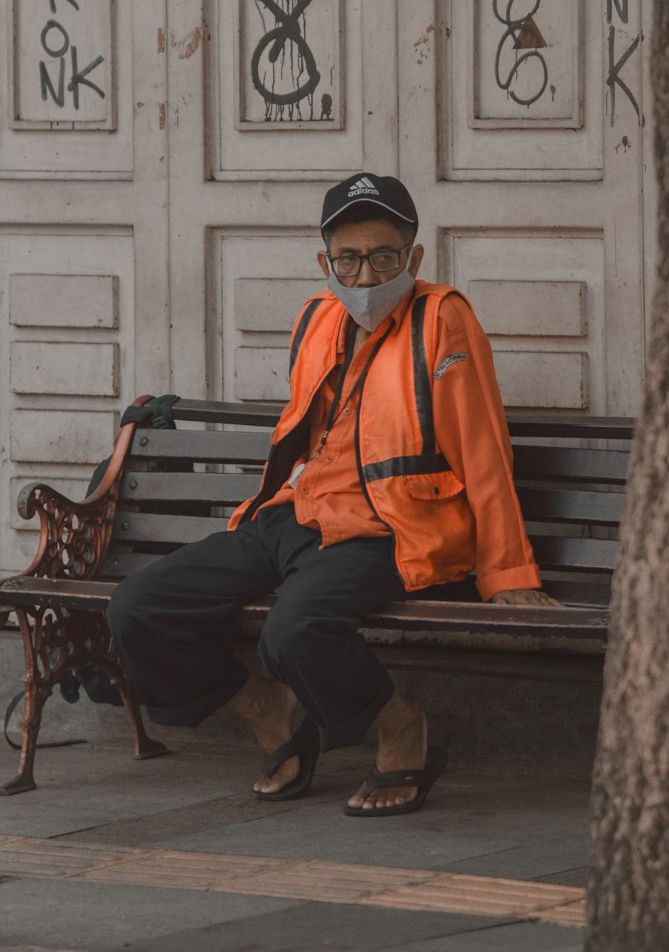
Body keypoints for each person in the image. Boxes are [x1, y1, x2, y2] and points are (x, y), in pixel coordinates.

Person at [107, 173, 558, 816]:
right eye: (349, 259)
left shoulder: (443, 317)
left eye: (383, 257)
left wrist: (506, 570)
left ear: (414, 258)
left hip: (391, 524)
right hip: (300, 513)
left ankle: (403, 730)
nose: (367, 276)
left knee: (295, 631)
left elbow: (483, 448)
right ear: (326, 263)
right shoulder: (319, 316)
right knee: (138, 607)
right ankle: (268, 708)